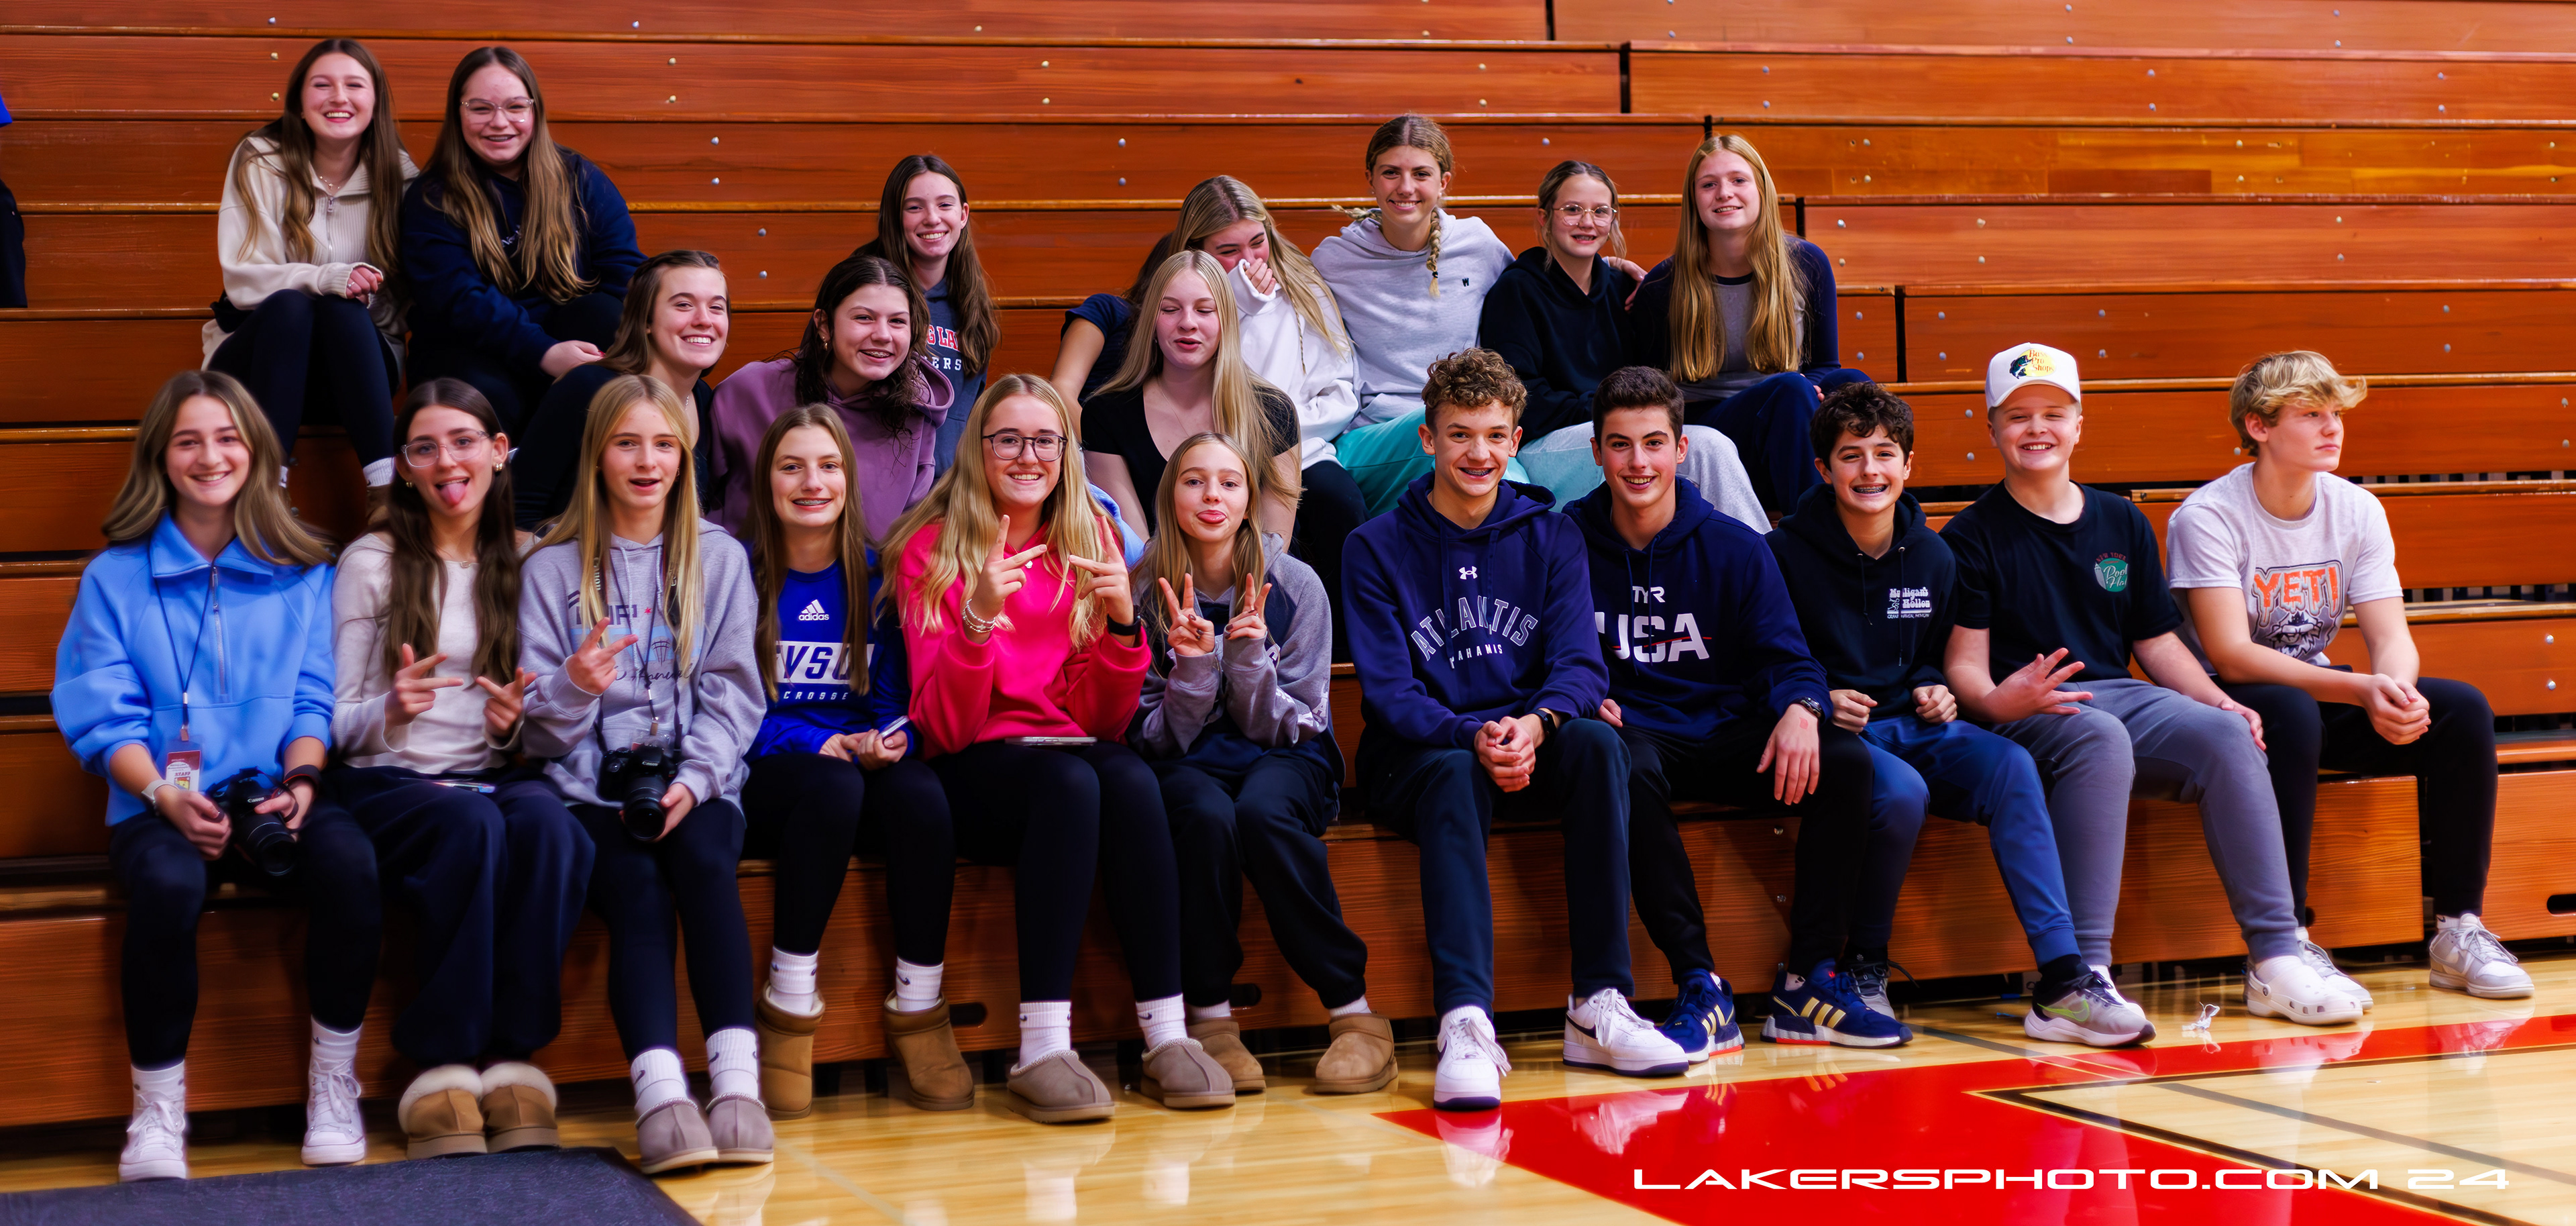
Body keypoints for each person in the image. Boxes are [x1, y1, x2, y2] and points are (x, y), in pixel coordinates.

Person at [1941, 343, 2350, 1026]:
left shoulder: (2120, 519)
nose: (2037, 428)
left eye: (2053, 414)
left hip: (2119, 694)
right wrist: (1994, 701)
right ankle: (2083, 977)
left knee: (2227, 733)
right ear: (1992, 429)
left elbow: (2156, 642)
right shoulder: (1969, 535)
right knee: (2099, 735)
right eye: (2018, 416)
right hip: (2030, 704)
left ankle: (2277, 957)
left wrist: (2222, 700)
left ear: (2079, 426)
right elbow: (1964, 665)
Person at [1342, 348, 1687, 1111]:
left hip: (1525, 736)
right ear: (1427, 439)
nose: (1480, 453)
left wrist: (1536, 723)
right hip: (1421, 753)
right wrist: (1471, 736)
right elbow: (1392, 694)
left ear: (1517, 439)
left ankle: (1599, 1003)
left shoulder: (1551, 535)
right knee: (1456, 773)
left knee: (1599, 744)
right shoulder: (1373, 546)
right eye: (1460, 435)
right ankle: (1465, 1021)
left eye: (1496, 435)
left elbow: (1581, 665)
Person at [54, 370, 378, 1180]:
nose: (211, 456)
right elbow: (103, 717)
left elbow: (314, 699)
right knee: (167, 886)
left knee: (350, 861)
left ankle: (334, 1086)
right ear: (161, 458)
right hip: (157, 803)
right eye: (189, 440)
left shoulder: (306, 571)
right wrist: (163, 795)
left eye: (229, 437)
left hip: (276, 795)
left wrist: (303, 785)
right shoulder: (113, 578)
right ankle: (157, 1111)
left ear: (257, 451)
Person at [883, 374, 1233, 1124]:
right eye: (1008, 439)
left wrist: (1123, 628)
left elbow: (1100, 720)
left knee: (1131, 778)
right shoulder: (929, 547)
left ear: (1067, 453)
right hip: (971, 763)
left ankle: (1167, 1033)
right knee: (1071, 785)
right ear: (977, 450)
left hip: (1062, 750)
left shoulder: (1089, 536)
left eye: (1045, 440)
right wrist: (979, 621)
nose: (1028, 456)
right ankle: (1041, 1046)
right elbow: (945, 726)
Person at [1766, 381, 2150, 1045]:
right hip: (1839, 735)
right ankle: (1864, 965)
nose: (1870, 470)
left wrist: (1933, 687)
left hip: (1912, 726)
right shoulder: (1781, 553)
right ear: (1824, 469)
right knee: (1901, 792)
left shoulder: (1934, 554)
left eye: (1885, 454)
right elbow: (1765, 658)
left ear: (1909, 465)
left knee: (2011, 765)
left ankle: (2063, 978)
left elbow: (1932, 657)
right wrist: (1820, 697)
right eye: (1852, 456)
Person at [1560, 368, 1902, 1052]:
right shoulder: (1563, 541)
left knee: (1844, 759)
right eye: (1620, 445)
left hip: (1721, 730)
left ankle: (1808, 982)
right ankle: (1700, 983)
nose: (1638, 462)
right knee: (1622, 765)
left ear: (1681, 450)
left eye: (1654, 443)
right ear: (1597, 452)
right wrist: (1576, 693)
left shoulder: (1734, 544)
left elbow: (1789, 658)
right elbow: (1546, 651)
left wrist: (1802, 707)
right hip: (1634, 736)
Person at [2169, 351, 2528, 1001]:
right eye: (2311, 414)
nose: (2332, 427)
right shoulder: (2208, 516)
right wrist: (2359, 688)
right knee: (2290, 711)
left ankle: (2459, 931)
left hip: (2314, 691)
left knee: (2461, 711)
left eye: (2336, 413)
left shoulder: (2357, 509)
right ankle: (2283, 945)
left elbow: (2391, 637)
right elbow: (2231, 655)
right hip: (2225, 707)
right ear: (2258, 426)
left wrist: (2395, 691)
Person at [329, 378, 595, 1154]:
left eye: (464, 441)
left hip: (492, 777)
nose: (447, 462)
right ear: (404, 469)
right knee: (470, 824)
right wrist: (390, 710)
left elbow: (537, 725)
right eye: (425, 448)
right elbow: (334, 723)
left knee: (554, 831)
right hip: (387, 782)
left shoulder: (530, 559)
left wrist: (517, 728)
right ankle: (443, 1065)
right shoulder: (372, 561)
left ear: (500, 452)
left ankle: (513, 1060)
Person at [518, 374, 771, 1172]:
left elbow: (734, 694)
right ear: (597, 455)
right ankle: (661, 1098)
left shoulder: (719, 557)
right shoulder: (549, 569)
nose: (647, 461)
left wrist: (695, 781)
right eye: (627, 443)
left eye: (664, 445)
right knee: (635, 886)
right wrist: (573, 687)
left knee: (704, 861)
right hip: (592, 789)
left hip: (700, 780)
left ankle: (738, 1090)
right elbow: (539, 733)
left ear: (685, 459)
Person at [1132, 431, 1394, 1097]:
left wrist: (1248, 661)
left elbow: (1301, 718)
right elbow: (1155, 736)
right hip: (1188, 756)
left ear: (1250, 499)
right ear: (1169, 496)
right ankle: (1212, 1018)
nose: (1212, 496)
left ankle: (1354, 1013)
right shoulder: (1143, 590)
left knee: (1263, 814)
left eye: (1229, 482)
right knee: (1204, 816)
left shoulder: (1295, 583)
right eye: (1194, 480)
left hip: (1285, 749)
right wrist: (1194, 670)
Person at [737, 405, 968, 1117]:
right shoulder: (737, 573)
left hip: (859, 764)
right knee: (832, 788)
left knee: (922, 795)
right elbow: (724, 712)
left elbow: (897, 700)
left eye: (828, 466)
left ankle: (920, 1009)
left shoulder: (881, 575)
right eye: (792, 467)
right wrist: (814, 744)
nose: (813, 482)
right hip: (771, 772)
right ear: (766, 480)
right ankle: (789, 1005)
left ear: (848, 479)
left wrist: (890, 739)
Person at [1159, 176, 1366, 656]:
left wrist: (1281, 437)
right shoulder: (1187, 305)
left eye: (1258, 242)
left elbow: (1340, 389)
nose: (1250, 261)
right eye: (1228, 251)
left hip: (1303, 447)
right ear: (1198, 250)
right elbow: (1195, 383)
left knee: (1340, 506)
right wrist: (1232, 303)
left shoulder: (1304, 289)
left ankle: (1338, 654)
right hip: (1217, 451)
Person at [1479, 164, 1757, 515]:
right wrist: (1610, 411)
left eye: (1600, 211)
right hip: (1546, 444)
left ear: (1613, 218)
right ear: (1544, 217)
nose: (1587, 222)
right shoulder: (1516, 290)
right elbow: (1520, 400)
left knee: (1706, 446)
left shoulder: (1622, 288)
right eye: (1572, 210)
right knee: (1703, 448)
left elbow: (1650, 378)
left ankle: (1747, 548)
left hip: (1622, 432)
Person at [205, 38, 414, 489]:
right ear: (299, 103)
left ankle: (386, 494)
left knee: (342, 310)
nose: (339, 98)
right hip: (262, 366)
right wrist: (326, 278)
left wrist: (348, 295)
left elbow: (404, 296)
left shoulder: (399, 175)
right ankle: (269, 494)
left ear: (375, 102)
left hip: (356, 374)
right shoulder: (261, 158)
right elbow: (243, 280)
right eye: (322, 85)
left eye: (354, 85)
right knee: (291, 305)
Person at [400, 46, 641, 431]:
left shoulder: (580, 179)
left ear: (535, 111)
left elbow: (625, 273)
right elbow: (461, 301)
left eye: (515, 107)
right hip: (470, 350)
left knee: (604, 314)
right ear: (458, 114)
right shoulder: (432, 198)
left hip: (565, 341)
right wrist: (543, 352)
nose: (500, 122)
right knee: (491, 398)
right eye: (481, 108)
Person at [1629, 134, 1866, 514]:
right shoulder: (1664, 284)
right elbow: (1648, 390)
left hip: (1787, 414)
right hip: (1708, 424)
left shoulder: (1806, 263)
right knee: (1790, 389)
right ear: (1694, 199)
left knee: (1853, 384)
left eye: (1738, 180)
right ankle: (1813, 530)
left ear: (1761, 190)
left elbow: (1825, 364)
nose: (1725, 193)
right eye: (1709, 184)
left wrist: (1809, 393)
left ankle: (1884, 517)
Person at [1311, 115, 1519, 515]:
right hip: (1374, 435)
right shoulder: (1335, 259)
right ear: (1371, 179)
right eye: (1391, 172)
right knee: (1440, 438)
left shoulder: (1478, 245)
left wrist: (1607, 266)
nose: (1405, 187)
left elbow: (1528, 291)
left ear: (1443, 182)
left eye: (1421, 174)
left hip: (1465, 429)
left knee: (1521, 493)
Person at [708, 253, 953, 544]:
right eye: (864, 318)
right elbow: (698, 497)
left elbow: (906, 534)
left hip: (866, 572)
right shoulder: (749, 391)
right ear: (824, 324)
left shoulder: (916, 410)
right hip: (747, 569)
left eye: (898, 321)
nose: (883, 335)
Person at [1082, 249, 1299, 540]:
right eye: (1170, 309)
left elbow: (1274, 546)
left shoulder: (1273, 411)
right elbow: (1135, 550)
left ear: (1226, 322)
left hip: (1257, 570)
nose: (1187, 323)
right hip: (1152, 570)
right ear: (1151, 322)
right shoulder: (1106, 414)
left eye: (1204, 310)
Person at [517, 250, 728, 528]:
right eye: (684, 305)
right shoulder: (588, 387)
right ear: (646, 320)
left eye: (717, 307)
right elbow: (516, 515)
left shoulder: (704, 398)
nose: (705, 320)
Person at [852, 155, 996, 472]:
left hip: (948, 489)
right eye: (915, 207)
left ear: (963, 215)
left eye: (945, 205)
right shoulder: (859, 292)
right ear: (894, 217)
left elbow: (968, 415)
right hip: (871, 484)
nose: (932, 218)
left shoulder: (973, 304)